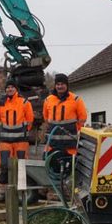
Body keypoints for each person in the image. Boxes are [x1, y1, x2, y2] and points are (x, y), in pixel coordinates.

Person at [39, 73, 87, 202]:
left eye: (62, 84)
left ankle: (70, 194)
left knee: (70, 170)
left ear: (66, 85)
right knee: (52, 167)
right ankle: (54, 193)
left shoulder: (76, 100)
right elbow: (46, 117)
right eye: (58, 84)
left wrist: (75, 133)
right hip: (52, 142)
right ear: (55, 85)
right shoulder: (48, 100)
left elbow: (82, 119)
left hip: (69, 143)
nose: (60, 86)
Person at [0, 78, 34, 202]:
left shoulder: (25, 102)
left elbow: (30, 120)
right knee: (4, 165)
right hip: (5, 140)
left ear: (16, 89)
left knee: (21, 165)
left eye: (11, 87)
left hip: (21, 140)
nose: (9, 89)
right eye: (7, 87)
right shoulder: (0, 103)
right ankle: (3, 192)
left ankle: (21, 192)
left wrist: (22, 131)